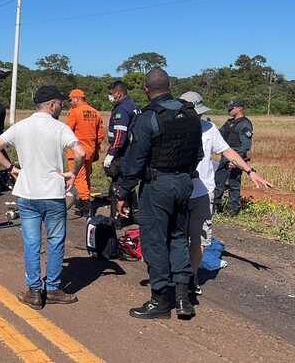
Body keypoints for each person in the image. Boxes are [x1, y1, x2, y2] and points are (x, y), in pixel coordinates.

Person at [115, 68, 202, 320]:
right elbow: (198, 154)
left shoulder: (147, 118)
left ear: (146, 89)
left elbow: (135, 160)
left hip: (158, 186)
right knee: (177, 238)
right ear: (170, 85)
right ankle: (184, 299)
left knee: (154, 241)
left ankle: (160, 301)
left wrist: (123, 191)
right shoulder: (190, 114)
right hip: (184, 183)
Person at [0, 85, 86, 310]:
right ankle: (52, 288)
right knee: (55, 240)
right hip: (52, 194)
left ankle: (33, 292)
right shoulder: (59, 128)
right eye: (60, 103)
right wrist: (73, 173)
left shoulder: (20, 126)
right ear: (51, 105)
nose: (61, 106)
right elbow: (80, 152)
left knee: (31, 243)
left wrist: (11, 168)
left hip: (27, 193)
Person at [179, 92, 272, 294]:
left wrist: (250, 171)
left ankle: (191, 278)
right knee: (177, 238)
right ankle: (177, 277)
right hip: (178, 193)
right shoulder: (172, 128)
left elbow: (228, 150)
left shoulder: (209, 128)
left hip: (204, 194)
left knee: (200, 239)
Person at [65, 88, 104, 218]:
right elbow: (100, 135)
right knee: (85, 178)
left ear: (76, 98)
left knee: (79, 179)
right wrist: (96, 150)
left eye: (71, 100)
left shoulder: (74, 112)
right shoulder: (96, 113)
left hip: (76, 152)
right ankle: (83, 204)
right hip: (90, 151)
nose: (70, 102)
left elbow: (67, 131)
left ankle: (85, 206)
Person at [104, 81, 140, 220]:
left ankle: (117, 218)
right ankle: (132, 214)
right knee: (129, 182)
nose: (110, 97)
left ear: (118, 94)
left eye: (111, 94)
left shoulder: (122, 109)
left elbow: (120, 134)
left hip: (123, 153)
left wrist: (111, 154)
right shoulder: (134, 106)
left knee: (118, 184)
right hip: (133, 151)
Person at [213, 100, 253, 215]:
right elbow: (219, 134)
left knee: (233, 184)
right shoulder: (229, 122)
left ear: (240, 108)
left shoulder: (245, 124)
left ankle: (232, 209)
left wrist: (236, 161)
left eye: (232, 108)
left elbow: (245, 146)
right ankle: (216, 207)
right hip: (225, 156)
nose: (229, 110)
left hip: (236, 158)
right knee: (218, 182)